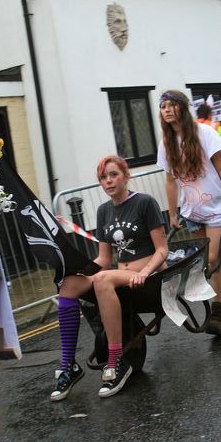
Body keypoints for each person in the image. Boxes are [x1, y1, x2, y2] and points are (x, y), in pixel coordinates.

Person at [51, 155, 167, 401]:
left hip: (148, 275)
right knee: (69, 285)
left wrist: (145, 272)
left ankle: (116, 362)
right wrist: (80, 271)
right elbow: (104, 259)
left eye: (114, 175)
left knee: (103, 280)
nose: (109, 181)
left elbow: (162, 250)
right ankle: (68, 365)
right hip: (121, 275)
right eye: (103, 177)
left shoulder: (145, 203)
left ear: (126, 175)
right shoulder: (103, 211)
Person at [157, 90, 221, 335]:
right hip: (193, 211)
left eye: (171, 105)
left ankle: (219, 314)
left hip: (219, 207)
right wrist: (172, 213)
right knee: (215, 258)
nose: (166, 110)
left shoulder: (205, 133)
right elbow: (170, 181)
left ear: (183, 107)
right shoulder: (166, 143)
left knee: (213, 259)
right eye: (162, 106)